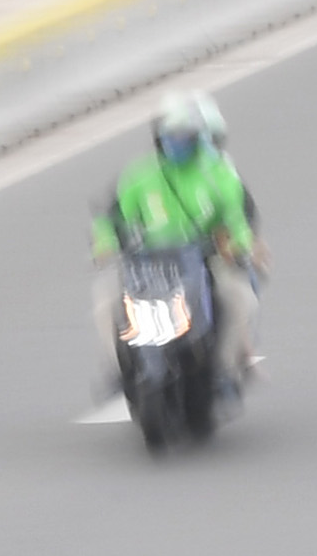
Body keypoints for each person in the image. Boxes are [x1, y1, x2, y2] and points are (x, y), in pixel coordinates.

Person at [93, 88, 261, 384]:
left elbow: (239, 221)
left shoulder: (217, 174)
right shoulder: (140, 174)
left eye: (184, 139)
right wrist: (106, 243)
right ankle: (121, 371)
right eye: (172, 138)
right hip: (148, 263)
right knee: (106, 301)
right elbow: (112, 216)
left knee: (240, 299)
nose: (177, 145)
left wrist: (238, 245)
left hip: (203, 258)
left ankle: (224, 370)